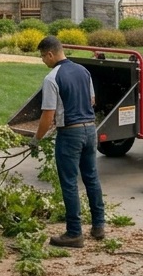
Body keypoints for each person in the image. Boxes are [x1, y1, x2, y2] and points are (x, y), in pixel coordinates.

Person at [32, 35, 105, 248]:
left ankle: (74, 233)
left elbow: (47, 115)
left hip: (70, 134)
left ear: (51, 54)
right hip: (90, 129)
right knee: (91, 177)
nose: (43, 62)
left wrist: (37, 139)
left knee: (70, 182)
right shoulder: (84, 71)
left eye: (43, 57)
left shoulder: (52, 78)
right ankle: (99, 225)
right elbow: (91, 101)